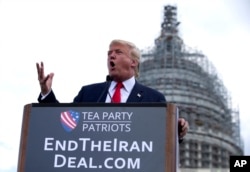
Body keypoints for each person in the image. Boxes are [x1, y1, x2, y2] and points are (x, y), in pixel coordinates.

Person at [36, 39, 189, 141]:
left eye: (118, 52)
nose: (111, 56)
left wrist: (177, 130)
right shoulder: (90, 93)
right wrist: (46, 92)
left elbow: (161, 141)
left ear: (133, 62)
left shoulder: (153, 99)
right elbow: (65, 122)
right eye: (109, 53)